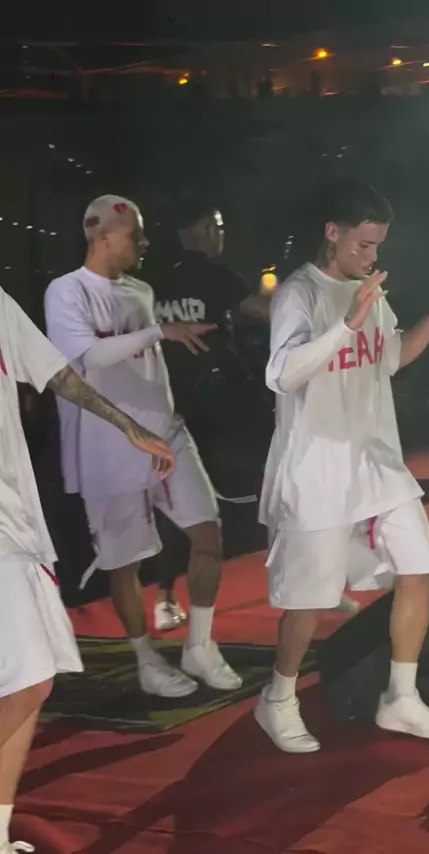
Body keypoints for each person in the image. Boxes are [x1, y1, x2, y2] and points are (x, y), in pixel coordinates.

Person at [255, 178, 429, 753]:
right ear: (333, 233)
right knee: (309, 601)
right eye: (363, 244)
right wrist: (347, 324)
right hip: (318, 469)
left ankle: (400, 697)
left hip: (377, 464)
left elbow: (392, 356)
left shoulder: (368, 292)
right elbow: (282, 374)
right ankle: (277, 698)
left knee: (420, 569)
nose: (371, 256)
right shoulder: (300, 293)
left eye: (377, 246)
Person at [0, 284, 175, 854]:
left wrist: (125, 424)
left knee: (33, 680)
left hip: (14, 515)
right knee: (28, 676)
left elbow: (55, 373)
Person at [44, 194, 242, 698]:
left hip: (166, 432)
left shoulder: (141, 290)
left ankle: (200, 646)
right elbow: (87, 355)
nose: (144, 242)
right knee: (124, 561)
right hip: (106, 445)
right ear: (103, 236)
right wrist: (159, 331)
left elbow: (141, 354)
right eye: (135, 234)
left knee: (208, 533)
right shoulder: (65, 291)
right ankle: (146, 659)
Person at [154, 196, 358, 622]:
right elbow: (267, 310)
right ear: (205, 230)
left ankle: (166, 600)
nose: (221, 235)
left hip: (169, 407)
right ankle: (307, 584)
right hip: (225, 406)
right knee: (279, 485)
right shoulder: (216, 274)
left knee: (176, 503)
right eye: (217, 226)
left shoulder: (152, 281)